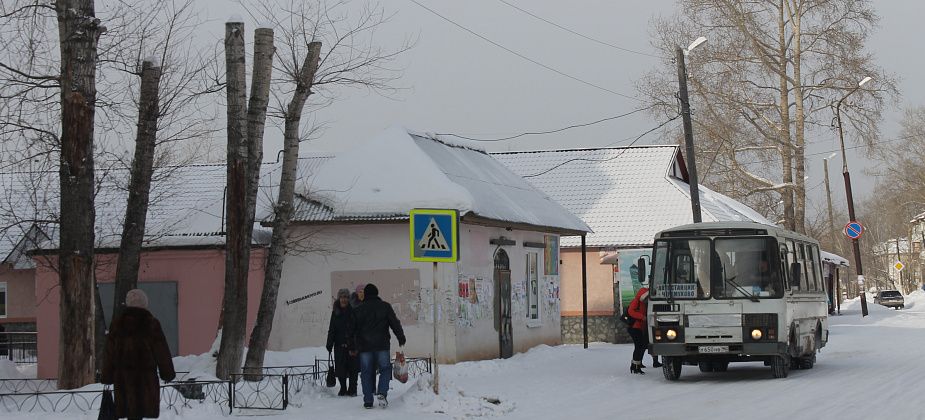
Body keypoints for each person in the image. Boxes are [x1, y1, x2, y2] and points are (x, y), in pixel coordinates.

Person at [101, 289, 176, 420]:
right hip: (144, 380)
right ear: (144, 304)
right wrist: (167, 373)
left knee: (129, 411)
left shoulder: (117, 324)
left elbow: (109, 353)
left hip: (123, 380)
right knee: (139, 412)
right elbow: (161, 351)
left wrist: (107, 376)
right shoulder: (151, 323)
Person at [350, 283, 406, 409]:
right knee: (385, 369)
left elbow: (351, 329)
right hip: (382, 345)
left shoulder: (358, 310)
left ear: (366, 295)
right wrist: (400, 337)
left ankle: (368, 400)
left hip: (364, 347)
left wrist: (352, 346)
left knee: (366, 372)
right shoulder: (385, 306)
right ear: (377, 293)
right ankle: (382, 392)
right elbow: (394, 323)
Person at [326, 288, 359, 397]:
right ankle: (343, 387)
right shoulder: (335, 312)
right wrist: (329, 342)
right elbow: (332, 329)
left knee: (353, 368)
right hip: (339, 345)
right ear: (339, 298)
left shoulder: (353, 311)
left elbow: (357, 329)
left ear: (348, 299)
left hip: (352, 344)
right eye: (341, 297)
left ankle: (353, 388)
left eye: (345, 297)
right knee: (340, 368)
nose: (343, 299)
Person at [627, 287, 661, 374]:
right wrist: (642, 317)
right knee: (639, 347)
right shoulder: (637, 301)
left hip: (638, 328)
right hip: (634, 328)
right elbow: (631, 311)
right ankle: (635, 366)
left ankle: (635, 365)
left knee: (639, 347)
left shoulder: (643, 303)